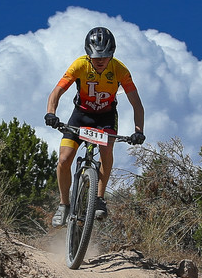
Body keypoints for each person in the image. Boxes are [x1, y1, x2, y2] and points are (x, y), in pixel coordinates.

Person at [43, 26, 145, 227]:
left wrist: (138, 131)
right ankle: (64, 205)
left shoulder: (120, 70)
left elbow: (137, 104)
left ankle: (99, 198)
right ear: (88, 54)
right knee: (64, 159)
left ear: (112, 54)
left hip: (106, 117)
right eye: (96, 56)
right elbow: (56, 92)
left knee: (106, 150)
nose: (100, 60)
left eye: (105, 56)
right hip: (81, 116)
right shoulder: (80, 65)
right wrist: (51, 113)